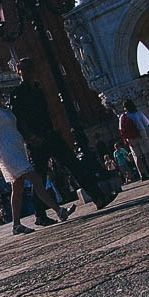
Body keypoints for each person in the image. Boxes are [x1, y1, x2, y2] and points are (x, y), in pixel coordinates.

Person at [10, 65, 114, 210]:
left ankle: (98, 197)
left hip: (51, 134)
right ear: (19, 72)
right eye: (25, 70)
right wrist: (30, 137)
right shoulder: (17, 93)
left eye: (30, 69)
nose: (28, 72)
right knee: (40, 178)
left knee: (74, 165)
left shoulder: (38, 89)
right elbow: (18, 119)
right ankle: (40, 214)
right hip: (36, 141)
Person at [0, 79, 70, 234]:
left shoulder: (5, 108)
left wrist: (29, 139)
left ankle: (16, 225)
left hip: (18, 148)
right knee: (35, 178)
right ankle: (59, 210)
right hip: (8, 152)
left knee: (18, 187)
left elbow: (17, 128)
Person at [117, 99, 149, 178]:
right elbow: (147, 123)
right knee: (147, 154)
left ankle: (142, 174)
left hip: (130, 137)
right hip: (141, 133)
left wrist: (126, 139)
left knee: (136, 156)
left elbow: (121, 129)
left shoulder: (122, 117)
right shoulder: (138, 113)